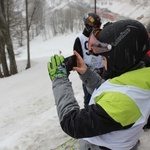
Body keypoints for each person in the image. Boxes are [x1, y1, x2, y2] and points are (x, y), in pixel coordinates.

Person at [47, 19, 150, 150]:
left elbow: (72, 123)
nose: (103, 65)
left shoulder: (125, 101)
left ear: (120, 59)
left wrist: (59, 79)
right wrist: (86, 73)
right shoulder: (139, 82)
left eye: (104, 59)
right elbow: (113, 93)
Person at [73, 12, 104, 108]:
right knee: (89, 98)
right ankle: (88, 116)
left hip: (103, 71)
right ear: (88, 25)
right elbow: (77, 57)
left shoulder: (100, 36)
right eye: (95, 26)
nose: (97, 29)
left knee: (103, 95)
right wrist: (83, 74)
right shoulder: (80, 39)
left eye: (99, 26)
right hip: (89, 72)